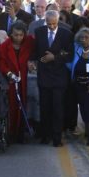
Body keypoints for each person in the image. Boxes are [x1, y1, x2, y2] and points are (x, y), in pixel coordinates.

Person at [30, 10, 74, 147]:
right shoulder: (39, 32)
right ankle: (45, 136)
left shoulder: (66, 34)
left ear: (58, 21)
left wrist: (55, 57)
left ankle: (57, 138)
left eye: (54, 24)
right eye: (49, 24)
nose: (52, 27)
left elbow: (70, 55)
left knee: (57, 108)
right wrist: (31, 61)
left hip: (59, 76)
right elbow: (35, 51)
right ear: (45, 21)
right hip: (44, 76)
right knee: (45, 107)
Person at [0, 21, 35, 143]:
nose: (18, 37)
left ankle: (23, 132)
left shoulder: (30, 42)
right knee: (13, 106)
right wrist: (8, 73)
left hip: (27, 79)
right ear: (10, 34)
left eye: (21, 35)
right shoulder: (3, 47)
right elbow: (1, 63)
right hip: (11, 80)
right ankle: (11, 133)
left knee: (26, 104)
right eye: (15, 35)